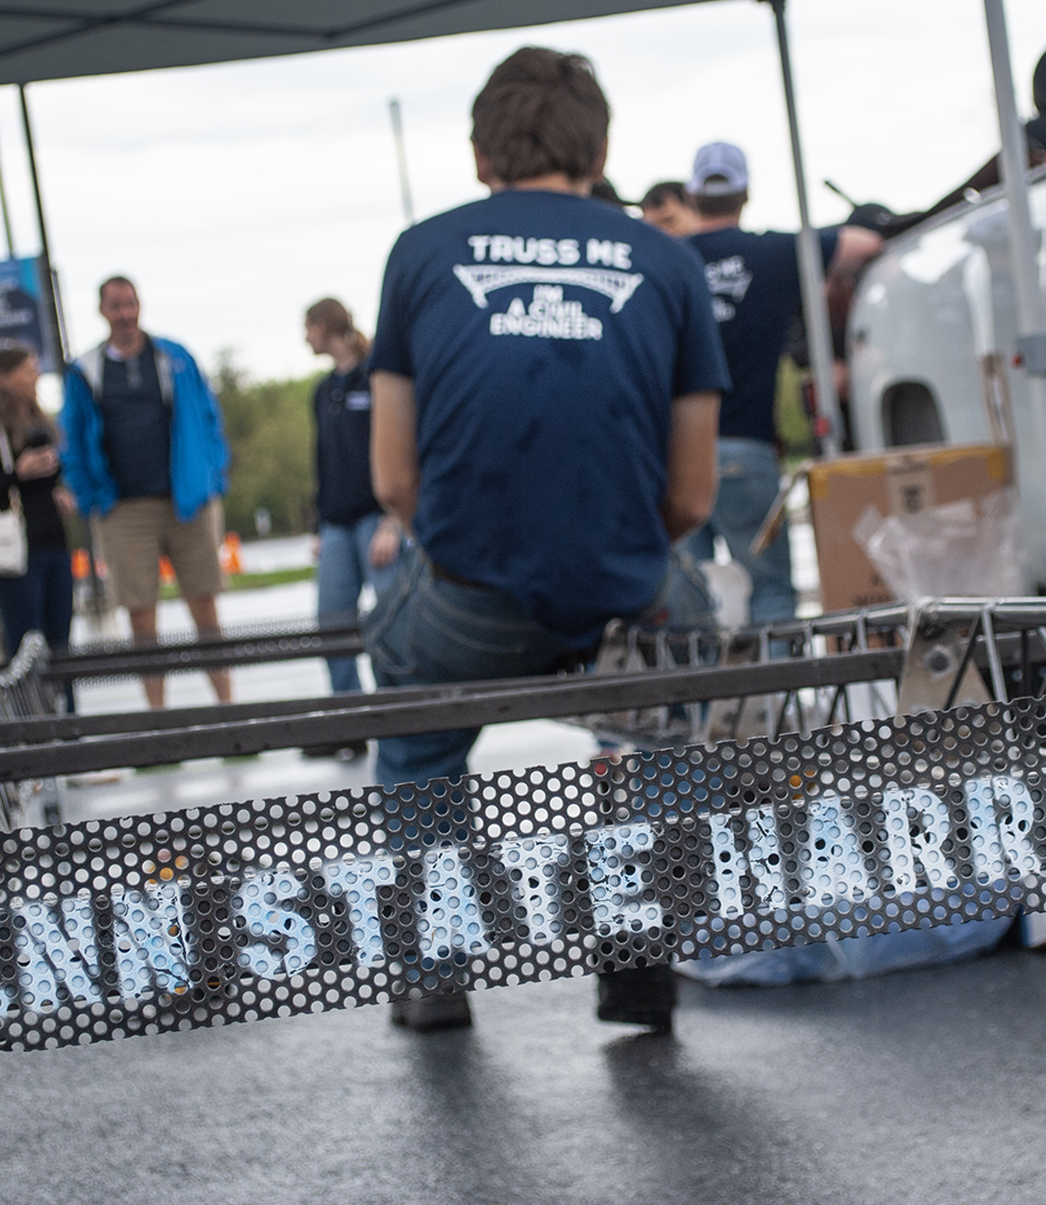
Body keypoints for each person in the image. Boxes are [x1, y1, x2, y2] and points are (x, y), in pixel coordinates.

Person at [366, 46, 728, 1032]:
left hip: (467, 597)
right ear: (598, 147)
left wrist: (475, 549)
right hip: (627, 585)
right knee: (657, 703)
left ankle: (435, 966)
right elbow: (692, 493)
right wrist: (605, 551)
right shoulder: (668, 261)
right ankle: (641, 941)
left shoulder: (421, 251)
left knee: (416, 727)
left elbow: (392, 479)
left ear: (483, 153)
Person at [682, 142, 883, 622]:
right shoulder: (774, 252)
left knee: (689, 602)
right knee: (769, 592)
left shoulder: (671, 258)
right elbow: (866, 244)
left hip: (677, 453)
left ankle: (701, 697)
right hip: (746, 449)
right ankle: (776, 699)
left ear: (692, 196)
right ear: (745, 194)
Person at [60, 277, 233, 709]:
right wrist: (90, 496)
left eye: (131, 304)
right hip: (124, 507)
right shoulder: (87, 370)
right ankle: (159, 720)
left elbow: (208, 418)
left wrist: (212, 475)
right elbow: (73, 438)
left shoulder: (173, 357)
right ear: (103, 312)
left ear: (141, 305)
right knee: (140, 613)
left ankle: (231, 711)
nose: (125, 314)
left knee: (205, 606)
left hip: (186, 500)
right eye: (116, 306)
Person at [304, 298, 402, 701]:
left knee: (391, 618)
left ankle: (401, 706)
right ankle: (349, 713)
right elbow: (323, 462)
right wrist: (318, 526)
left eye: (308, 327)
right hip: (337, 525)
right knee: (333, 621)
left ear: (324, 327)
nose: (304, 337)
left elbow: (397, 450)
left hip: (376, 520)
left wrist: (393, 522)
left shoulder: (373, 380)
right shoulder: (324, 392)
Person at [0, 344, 77, 668]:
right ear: (3, 378)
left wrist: (59, 494)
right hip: (17, 554)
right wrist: (17, 474)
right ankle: (32, 717)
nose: (35, 376)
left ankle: (67, 715)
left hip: (54, 543)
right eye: (28, 370)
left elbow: (45, 486)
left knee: (61, 648)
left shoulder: (41, 423)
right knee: (27, 648)